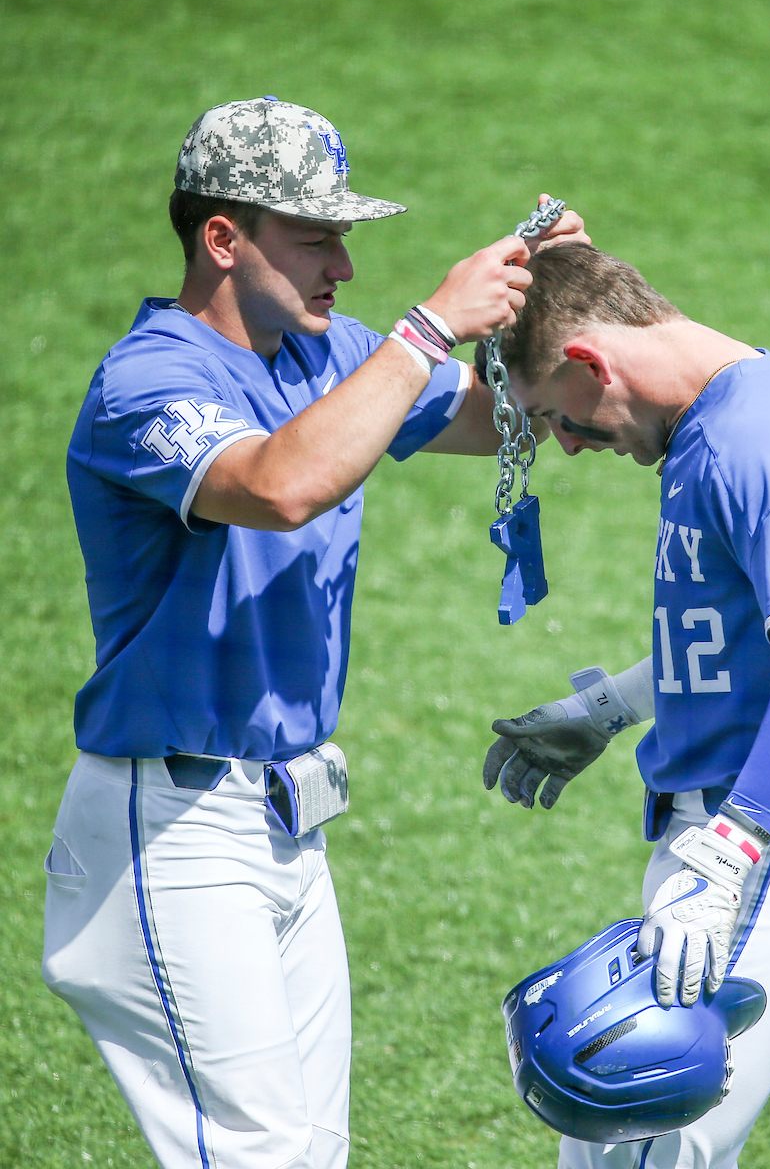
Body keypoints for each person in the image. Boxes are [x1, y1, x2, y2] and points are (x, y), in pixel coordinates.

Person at [42, 95, 587, 1169]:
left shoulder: (322, 357)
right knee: (260, 1158)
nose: (341, 261)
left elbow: (502, 416)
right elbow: (279, 484)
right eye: (314, 236)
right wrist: (427, 327)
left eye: (344, 234)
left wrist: (552, 297)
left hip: (289, 830)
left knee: (307, 1155)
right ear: (224, 238)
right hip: (174, 833)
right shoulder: (148, 381)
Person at [483, 243, 770, 1169]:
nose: (573, 446)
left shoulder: (761, 434)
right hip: (743, 839)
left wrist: (732, 852)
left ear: (590, 364)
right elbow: (754, 636)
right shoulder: (714, 425)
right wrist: (610, 708)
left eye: (557, 416)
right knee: (610, 1153)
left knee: (636, 1149)